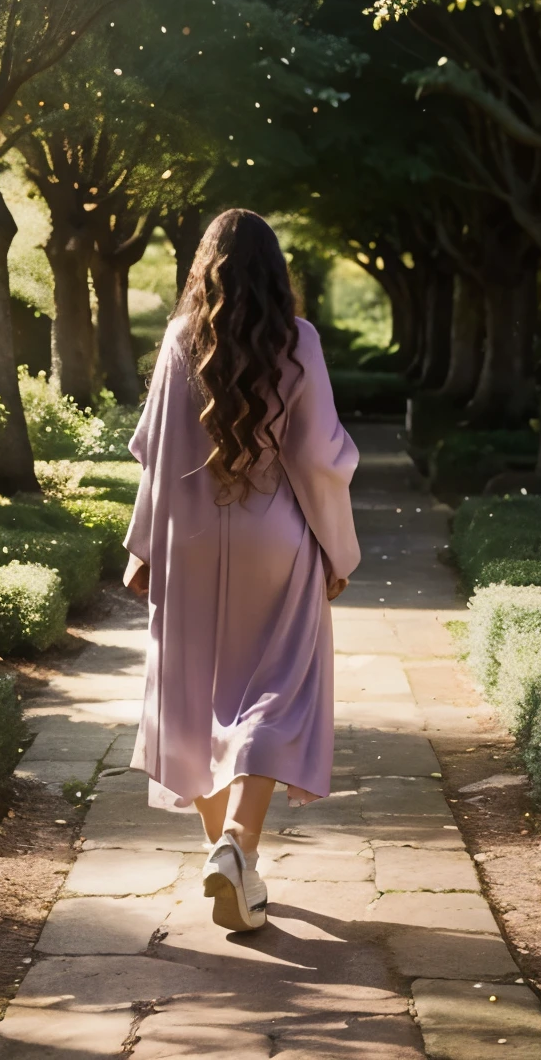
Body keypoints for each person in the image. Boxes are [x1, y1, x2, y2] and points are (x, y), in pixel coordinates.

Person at [123, 208, 360, 933]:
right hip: (276, 538)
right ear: (274, 269)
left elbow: (156, 450)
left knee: (194, 693)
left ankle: (228, 859)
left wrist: (142, 546)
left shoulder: (177, 340)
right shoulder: (299, 340)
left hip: (193, 536)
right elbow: (319, 454)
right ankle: (237, 850)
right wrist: (337, 547)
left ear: (205, 265)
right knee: (274, 694)